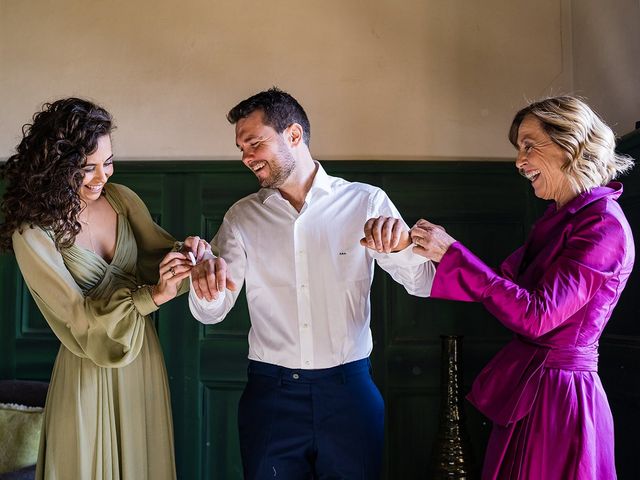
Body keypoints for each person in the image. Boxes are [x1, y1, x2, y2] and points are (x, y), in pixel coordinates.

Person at [188, 87, 436, 479]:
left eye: (254, 143)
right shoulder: (242, 217)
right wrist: (206, 287)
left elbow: (422, 284)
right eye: (241, 148)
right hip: (270, 394)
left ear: (293, 136)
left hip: (349, 391)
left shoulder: (366, 202)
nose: (246, 158)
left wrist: (399, 246)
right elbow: (213, 311)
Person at [408, 96, 635, 479]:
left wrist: (452, 253)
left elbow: (536, 316)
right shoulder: (566, 218)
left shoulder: (602, 225)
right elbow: (505, 286)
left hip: (560, 400)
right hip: (535, 390)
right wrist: (417, 252)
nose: (519, 161)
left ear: (571, 143)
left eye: (530, 145)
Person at [0, 98, 205, 480]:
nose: (101, 177)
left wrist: (191, 252)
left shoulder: (122, 200)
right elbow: (79, 318)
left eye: (108, 162)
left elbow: (161, 257)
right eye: (86, 168)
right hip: (87, 366)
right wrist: (151, 296)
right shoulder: (33, 233)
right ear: (56, 169)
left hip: (142, 360)